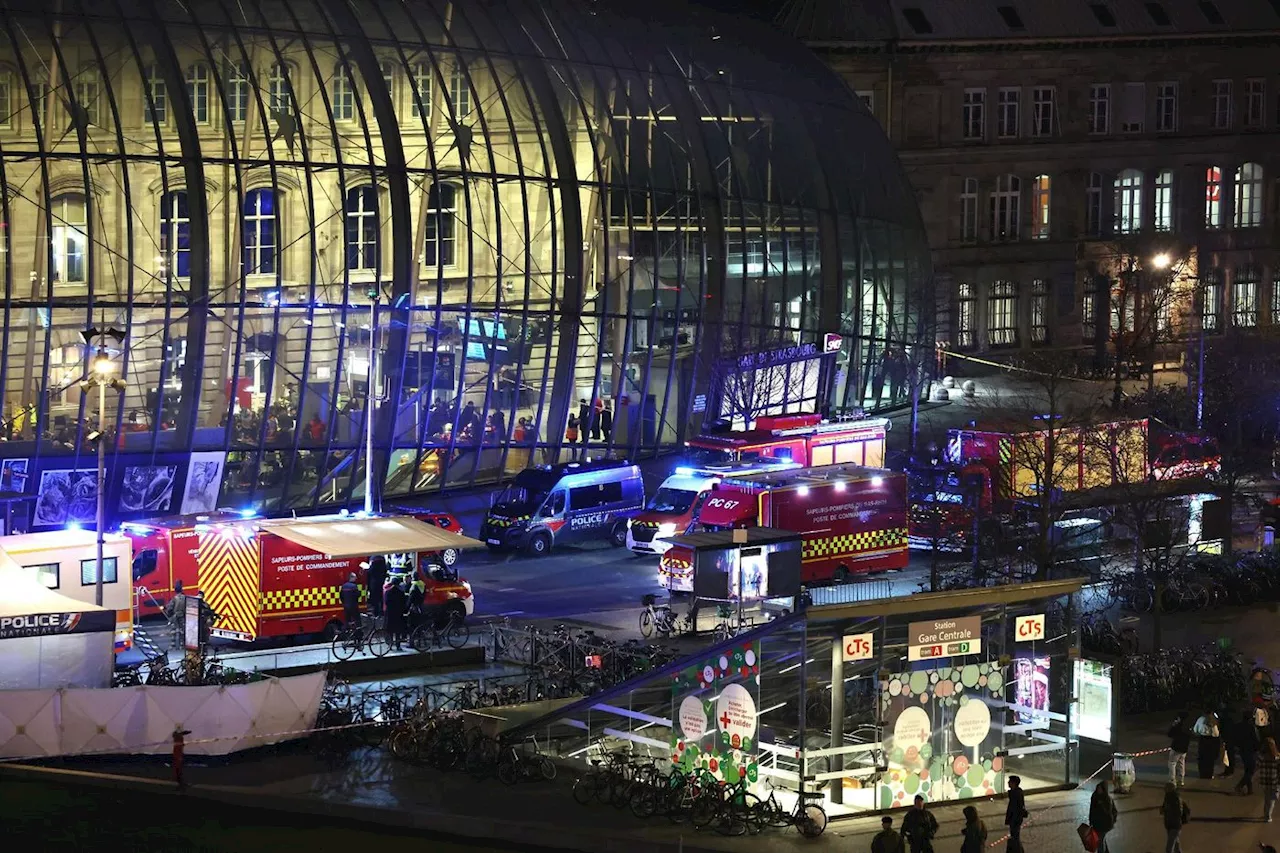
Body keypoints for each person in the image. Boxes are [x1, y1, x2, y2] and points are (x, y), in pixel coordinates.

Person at [1160, 782, 1190, 853]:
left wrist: (1166, 810)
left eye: (1166, 788)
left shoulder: (1175, 799)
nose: (1164, 789)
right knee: (1176, 846)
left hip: (1175, 825)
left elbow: (1178, 812)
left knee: (1169, 848)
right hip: (1170, 825)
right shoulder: (1168, 797)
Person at [1089, 780, 1117, 853]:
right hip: (1096, 824)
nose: (1099, 790)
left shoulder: (1107, 799)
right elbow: (1092, 810)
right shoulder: (1094, 797)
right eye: (1098, 788)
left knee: (1100, 840)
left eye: (1100, 789)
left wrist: (1102, 805)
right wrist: (1090, 821)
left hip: (1105, 824)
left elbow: (1111, 811)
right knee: (1101, 839)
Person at [1237, 709, 1261, 795]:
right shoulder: (1251, 727)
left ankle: (1249, 789)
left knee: (1248, 769)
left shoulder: (1238, 726)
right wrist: (1258, 748)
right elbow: (1256, 739)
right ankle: (1240, 785)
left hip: (1242, 750)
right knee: (1251, 770)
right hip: (1250, 750)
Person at [1168, 710, 1192, 787]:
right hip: (1184, 748)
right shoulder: (1188, 726)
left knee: (1172, 764)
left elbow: (1170, 734)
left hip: (1176, 747)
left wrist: (1173, 725)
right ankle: (1181, 780)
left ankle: (1172, 781)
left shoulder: (1178, 726)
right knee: (1182, 763)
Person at [1194, 710, 1221, 779]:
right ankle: (1209, 774)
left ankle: (1202, 774)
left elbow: (1195, 730)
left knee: (1202, 758)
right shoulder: (1213, 720)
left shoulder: (1200, 719)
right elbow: (1216, 734)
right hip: (1211, 741)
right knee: (1210, 758)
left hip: (1202, 740)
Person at [163, 579, 188, 651]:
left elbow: (170, 607)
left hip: (175, 616)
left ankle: (173, 645)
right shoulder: (185, 597)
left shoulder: (174, 598)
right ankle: (182, 645)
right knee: (182, 631)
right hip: (182, 616)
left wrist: (166, 610)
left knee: (173, 631)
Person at [1259, 736, 1280, 822]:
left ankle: (1266, 814)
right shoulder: (1277, 758)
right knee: (1272, 799)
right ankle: (1268, 816)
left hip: (1264, 781)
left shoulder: (1261, 757)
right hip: (1274, 781)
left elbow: (1258, 766)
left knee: (1267, 798)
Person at [1005, 774, 1027, 851]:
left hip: (1015, 819)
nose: (1008, 782)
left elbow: (1014, 808)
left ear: (1013, 783)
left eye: (1010, 781)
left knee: (1015, 837)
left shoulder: (1015, 794)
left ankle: (1017, 850)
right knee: (1015, 836)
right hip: (1015, 819)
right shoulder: (1016, 792)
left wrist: (1011, 819)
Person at [384, 577, 407, 650]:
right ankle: (398, 645)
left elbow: (386, 602)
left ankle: (390, 645)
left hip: (390, 613)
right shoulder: (401, 592)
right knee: (398, 631)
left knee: (390, 630)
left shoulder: (388, 591)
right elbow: (404, 603)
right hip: (398, 613)